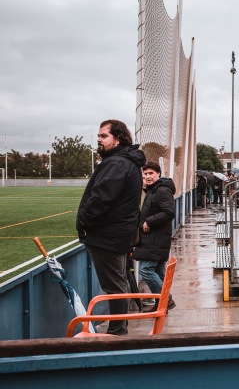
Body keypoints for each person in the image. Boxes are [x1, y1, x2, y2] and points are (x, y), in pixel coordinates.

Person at [77, 119, 146, 335]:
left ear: (118, 139)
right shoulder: (124, 161)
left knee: (115, 286)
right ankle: (118, 328)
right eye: (98, 136)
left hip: (108, 236)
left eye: (103, 136)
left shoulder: (117, 163)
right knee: (118, 283)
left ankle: (117, 332)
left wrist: (85, 222)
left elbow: (100, 200)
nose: (99, 139)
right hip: (117, 235)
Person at [133, 161, 176, 312]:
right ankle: (161, 304)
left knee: (145, 270)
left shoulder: (162, 190)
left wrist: (149, 222)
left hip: (155, 239)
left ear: (158, 174)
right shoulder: (153, 190)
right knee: (157, 271)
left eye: (151, 173)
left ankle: (165, 299)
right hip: (154, 239)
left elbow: (169, 212)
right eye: (145, 174)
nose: (147, 176)